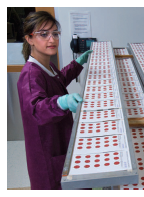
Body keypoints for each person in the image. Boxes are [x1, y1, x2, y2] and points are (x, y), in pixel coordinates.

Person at [17, 11, 92, 190]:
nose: (52, 39)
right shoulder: (30, 75)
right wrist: (62, 102)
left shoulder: (46, 65)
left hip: (59, 140)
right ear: (29, 39)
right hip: (47, 152)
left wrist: (78, 63)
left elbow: (57, 81)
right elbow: (36, 110)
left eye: (55, 34)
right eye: (44, 34)